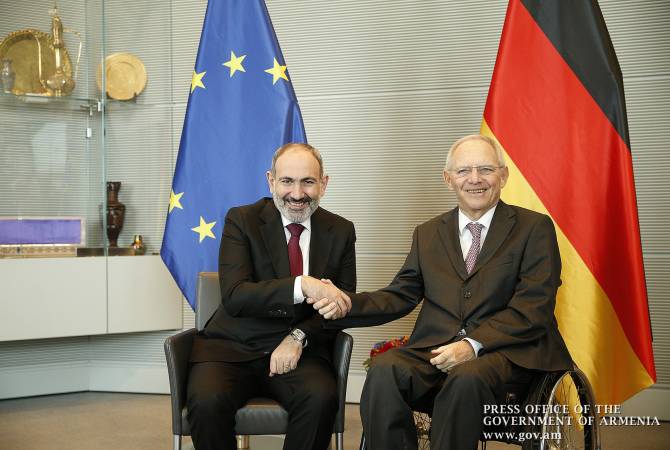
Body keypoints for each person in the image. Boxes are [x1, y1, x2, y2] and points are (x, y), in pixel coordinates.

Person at [310, 134, 573, 450]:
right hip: (437, 349)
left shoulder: (534, 228)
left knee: (466, 378)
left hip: (508, 353)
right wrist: (346, 303)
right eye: (463, 171)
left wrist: (472, 345)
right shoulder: (428, 233)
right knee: (385, 370)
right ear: (448, 179)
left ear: (503, 175)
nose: (474, 179)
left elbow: (534, 306)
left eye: (485, 169)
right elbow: (400, 294)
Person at [187, 143, 355, 450]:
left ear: (324, 183)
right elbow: (237, 296)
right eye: (287, 181)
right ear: (270, 181)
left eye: (308, 181)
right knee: (206, 402)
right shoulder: (241, 220)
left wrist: (298, 336)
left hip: (301, 353)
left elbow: (343, 306)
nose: (297, 193)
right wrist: (303, 285)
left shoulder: (341, 230)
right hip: (231, 348)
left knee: (320, 400)